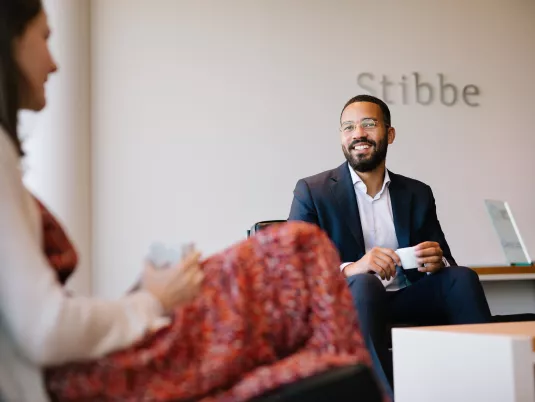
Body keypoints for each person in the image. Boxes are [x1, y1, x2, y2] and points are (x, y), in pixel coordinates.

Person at [0, 2, 377, 401]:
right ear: (9, 40)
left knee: (301, 257)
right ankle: (345, 378)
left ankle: (342, 376)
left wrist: (143, 296)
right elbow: (46, 328)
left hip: (75, 368)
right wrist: (153, 300)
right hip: (73, 379)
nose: (54, 64)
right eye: (44, 38)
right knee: (301, 249)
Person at [288, 94, 492, 396]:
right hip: (348, 303)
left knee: (462, 278)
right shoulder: (312, 191)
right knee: (365, 284)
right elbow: (295, 269)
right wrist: (354, 268)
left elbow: (445, 258)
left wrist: (438, 261)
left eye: (368, 124)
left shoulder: (417, 193)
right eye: (348, 127)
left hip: (406, 295)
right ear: (342, 138)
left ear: (389, 134)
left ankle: (490, 384)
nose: (358, 133)